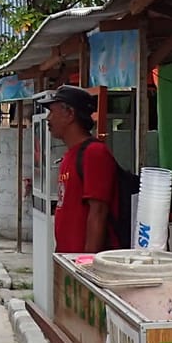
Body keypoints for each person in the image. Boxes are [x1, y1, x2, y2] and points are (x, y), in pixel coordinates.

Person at [45, 84, 118, 254]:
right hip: (68, 260)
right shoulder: (69, 156)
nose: (48, 119)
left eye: (52, 112)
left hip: (82, 263)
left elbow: (98, 212)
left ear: (69, 114)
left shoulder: (94, 153)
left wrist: (87, 263)